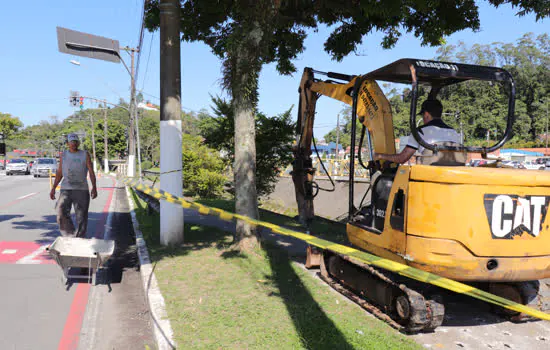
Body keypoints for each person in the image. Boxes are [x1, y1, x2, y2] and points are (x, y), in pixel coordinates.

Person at [374, 99, 461, 164]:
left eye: (423, 115)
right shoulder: (453, 132)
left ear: (426, 114)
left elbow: (402, 158)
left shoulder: (419, 132)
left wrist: (380, 156)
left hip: (429, 176)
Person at [50, 133, 97, 238]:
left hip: (81, 189)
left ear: (78, 143)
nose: (74, 144)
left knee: (81, 217)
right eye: (71, 142)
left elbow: (91, 171)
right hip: (66, 188)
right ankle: (69, 235)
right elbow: (60, 172)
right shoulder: (64, 155)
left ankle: (80, 237)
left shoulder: (85, 154)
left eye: (75, 142)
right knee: (60, 211)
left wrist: (94, 187)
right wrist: (53, 188)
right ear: (68, 144)